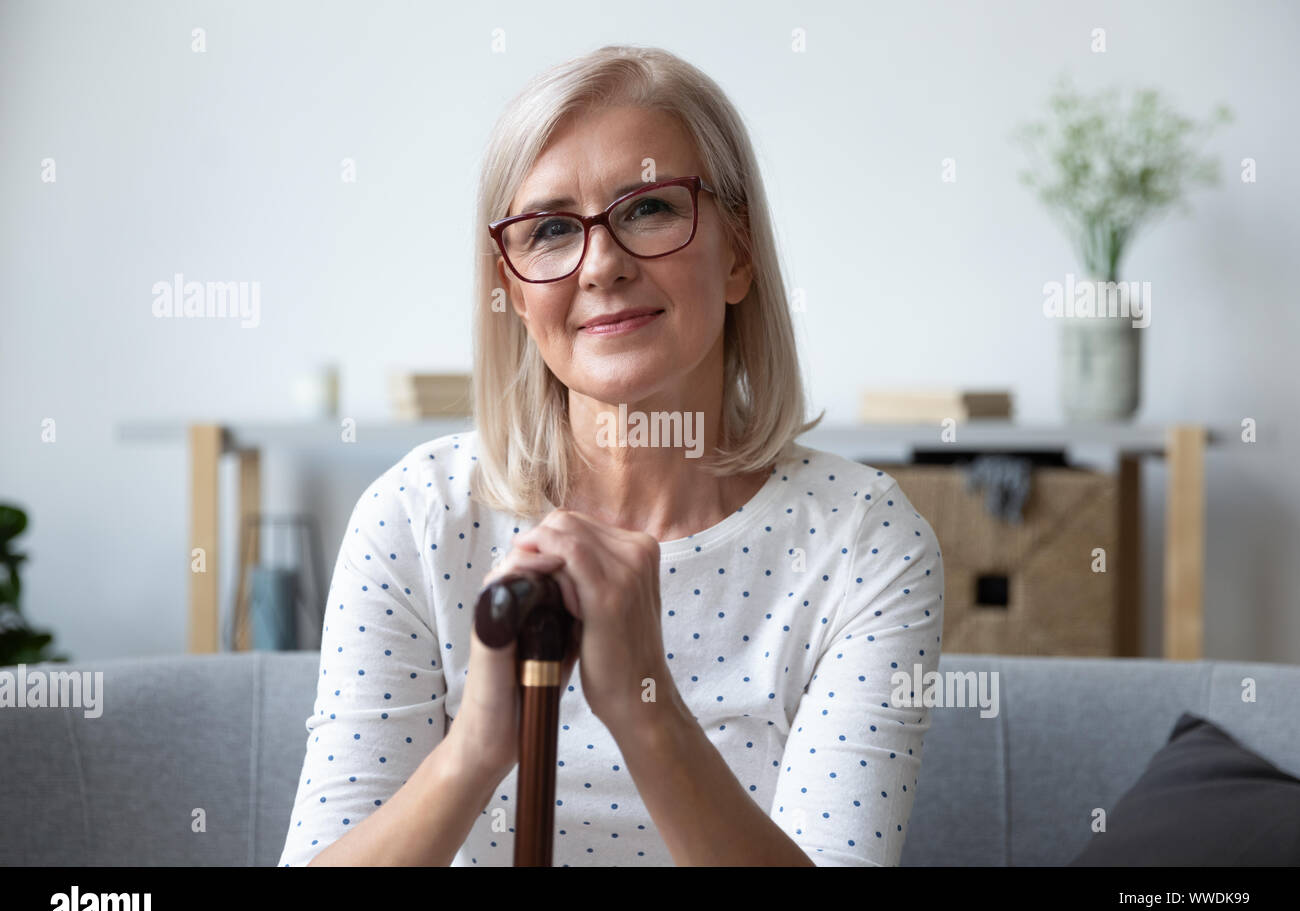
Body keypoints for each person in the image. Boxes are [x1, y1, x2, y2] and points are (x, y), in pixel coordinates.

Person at [278, 44, 944, 867]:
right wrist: (476, 749)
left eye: (649, 208)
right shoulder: (415, 519)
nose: (601, 265)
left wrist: (645, 707)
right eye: (551, 229)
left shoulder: (863, 542)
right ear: (513, 289)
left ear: (737, 253)